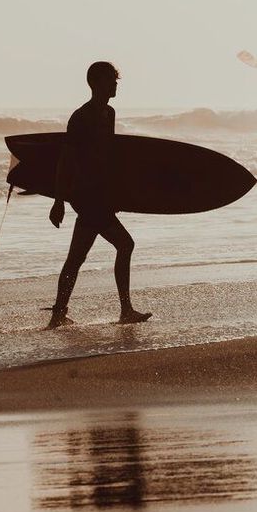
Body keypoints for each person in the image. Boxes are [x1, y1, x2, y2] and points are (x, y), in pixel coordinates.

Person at [46, 61, 152, 329]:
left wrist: (117, 193)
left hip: (100, 196)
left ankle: (58, 314)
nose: (115, 85)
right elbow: (65, 159)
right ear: (97, 83)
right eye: (111, 80)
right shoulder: (81, 117)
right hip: (87, 195)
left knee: (76, 258)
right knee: (124, 244)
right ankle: (125, 310)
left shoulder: (109, 113)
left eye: (116, 80)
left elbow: (109, 158)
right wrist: (59, 200)